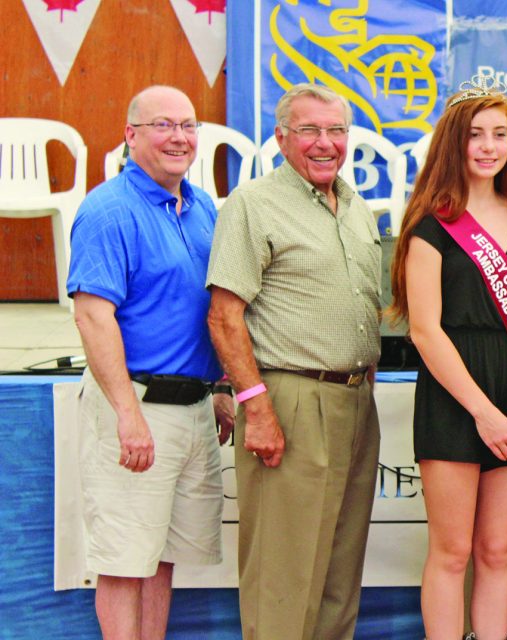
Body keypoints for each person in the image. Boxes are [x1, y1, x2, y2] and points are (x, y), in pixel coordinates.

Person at [206, 83, 382, 640]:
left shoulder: (357, 208)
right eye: (309, 130)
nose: (325, 143)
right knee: (284, 575)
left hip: (358, 397)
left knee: (339, 569)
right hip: (290, 397)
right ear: (281, 137)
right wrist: (255, 407)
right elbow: (223, 315)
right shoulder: (253, 204)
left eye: (336, 131)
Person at [388, 76, 507, 640]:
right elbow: (425, 329)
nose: (488, 146)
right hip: (456, 395)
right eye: (475, 135)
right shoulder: (431, 224)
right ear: (452, 143)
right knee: (453, 550)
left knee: (496, 549)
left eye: (500, 135)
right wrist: (483, 412)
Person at [68, 85, 233, 640]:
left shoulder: (204, 205)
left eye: (188, 125)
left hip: (193, 409)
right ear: (131, 135)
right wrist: (126, 413)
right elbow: (93, 317)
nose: (180, 137)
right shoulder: (108, 211)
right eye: (163, 125)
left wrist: (220, 388)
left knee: (162, 554)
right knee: (123, 560)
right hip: (137, 406)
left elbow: (208, 305)